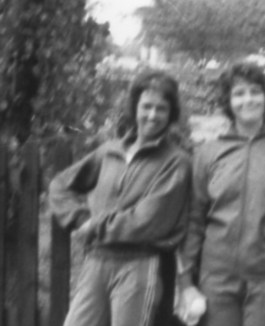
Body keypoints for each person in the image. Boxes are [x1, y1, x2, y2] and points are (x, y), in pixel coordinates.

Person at [49, 71, 192, 326]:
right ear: (134, 108)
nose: (152, 115)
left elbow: (146, 222)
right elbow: (60, 185)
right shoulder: (110, 151)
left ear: (171, 114)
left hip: (139, 265)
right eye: (146, 106)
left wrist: (93, 226)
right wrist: (78, 218)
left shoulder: (176, 162)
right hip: (96, 260)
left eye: (161, 109)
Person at [175, 63, 265, 326]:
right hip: (216, 279)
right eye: (239, 93)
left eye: (255, 91)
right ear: (228, 101)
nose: (248, 99)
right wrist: (185, 282)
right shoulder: (208, 153)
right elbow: (193, 220)